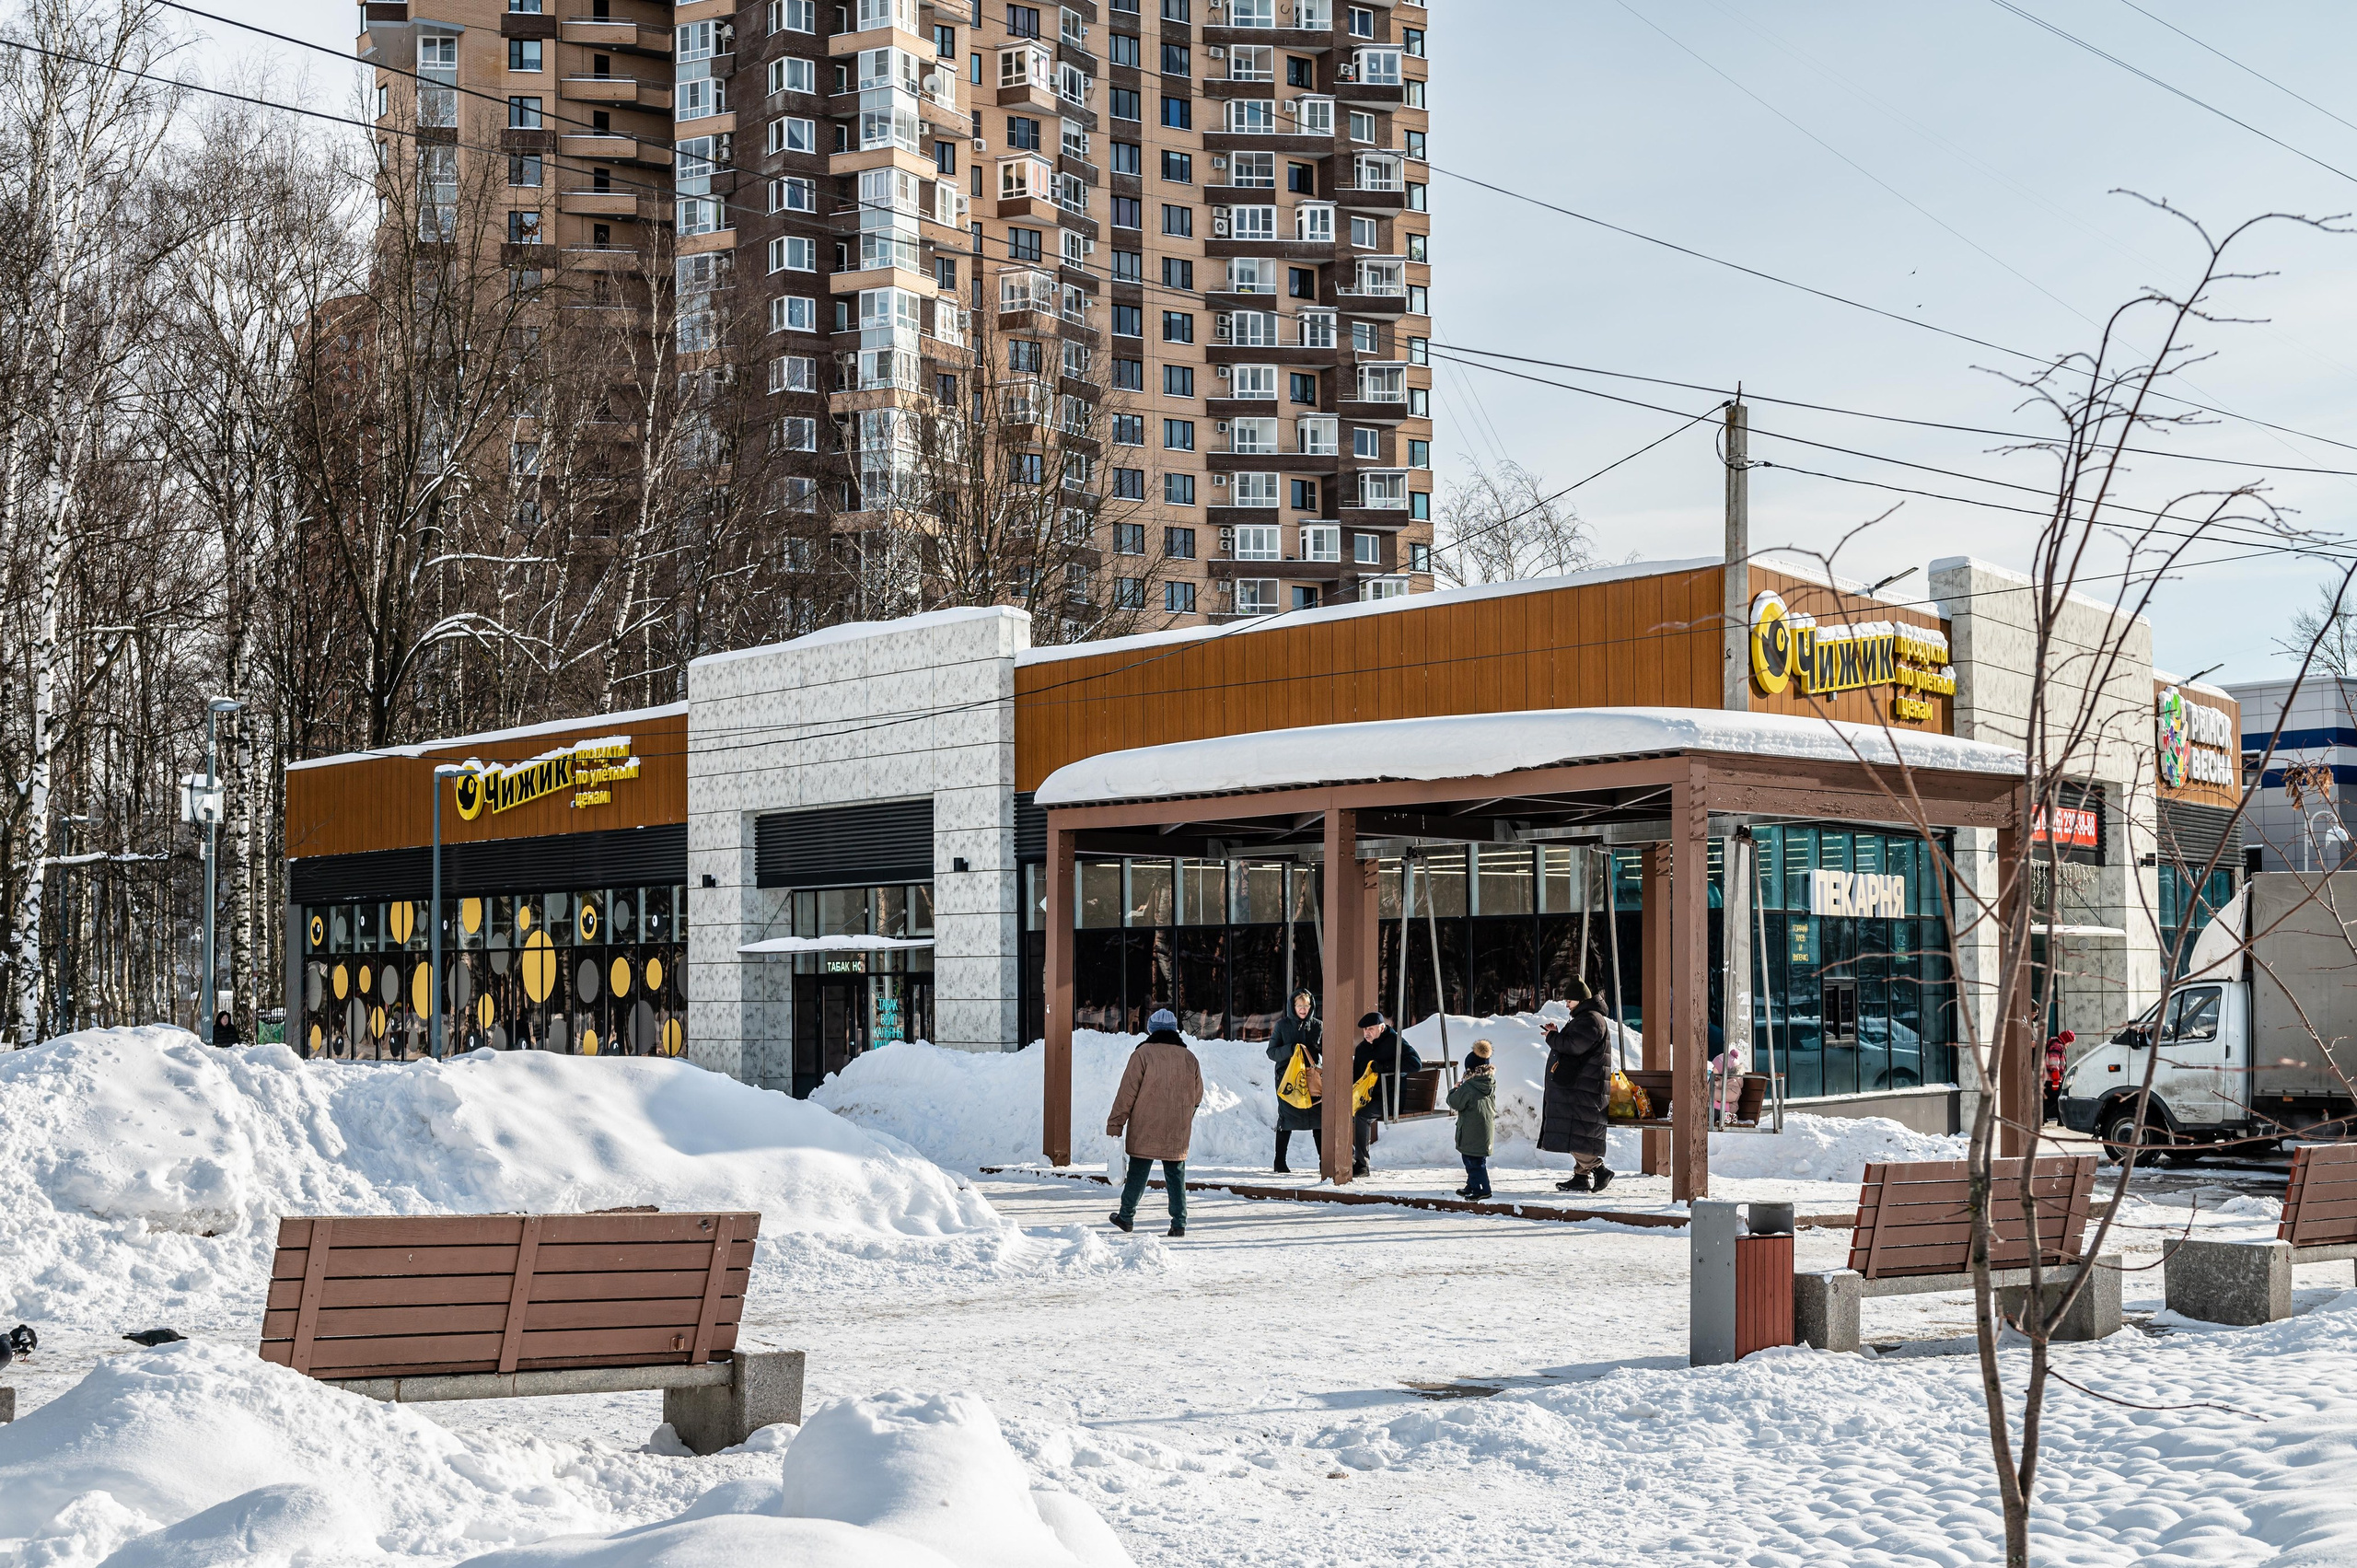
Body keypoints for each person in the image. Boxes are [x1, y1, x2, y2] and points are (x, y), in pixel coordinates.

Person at [1106, 1007, 1205, 1237]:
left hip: (1145, 1125)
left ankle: (1126, 1216)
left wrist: (1115, 1124)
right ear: (1174, 1030)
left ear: (1151, 1030)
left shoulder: (1143, 1054)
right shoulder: (1189, 1057)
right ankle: (1179, 1223)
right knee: (1176, 1173)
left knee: (1138, 1171)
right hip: (1177, 1126)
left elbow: (1126, 1093)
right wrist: (1185, 1117)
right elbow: (1198, 1095)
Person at [1540, 984, 1615, 1192]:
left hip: (1584, 1087)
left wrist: (1552, 1038)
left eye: (1569, 1001)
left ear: (1581, 1000)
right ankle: (1580, 1178)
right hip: (1582, 1086)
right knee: (1576, 1131)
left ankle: (1599, 1169)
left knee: (1573, 1132)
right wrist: (1555, 1034)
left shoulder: (1591, 1020)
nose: (1567, 1005)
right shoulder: (1586, 1018)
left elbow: (1574, 1046)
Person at [1350, 1011, 1422, 1178]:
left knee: (1361, 1116)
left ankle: (1362, 1165)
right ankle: (1349, 1158)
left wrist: (1384, 1067)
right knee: (1340, 1111)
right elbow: (1356, 1076)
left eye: (1371, 1029)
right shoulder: (1362, 1049)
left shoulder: (1395, 1042)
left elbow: (1415, 1063)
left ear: (1382, 1028)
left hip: (1389, 1098)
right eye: (1365, 1029)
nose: (1367, 1033)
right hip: (1366, 1097)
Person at [1264, 988, 1323, 1175]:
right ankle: (1279, 1162)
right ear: (1293, 1007)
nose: (1303, 1009)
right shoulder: (1282, 1026)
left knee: (1319, 1119)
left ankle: (1324, 1161)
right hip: (1288, 1081)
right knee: (1286, 1119)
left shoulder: (1318, 1026)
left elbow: (1326, 1050)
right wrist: (1290, 1049)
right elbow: (1271, 1052)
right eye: (1299, 1006)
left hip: (1312, 1080)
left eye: (1306, 1006)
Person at [1447, 1040, 1497, 1199]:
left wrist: (1455, 1090)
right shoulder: (1489, 1083)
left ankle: (1483, 1190)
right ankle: (1472, 1185)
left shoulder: (1469, 1087)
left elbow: (1455, 1103)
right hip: (1484, 1129)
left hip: (1471, 1130)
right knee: (1475, 1159)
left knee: (1474, 1162)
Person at [2044, 1030, 2075, 1123]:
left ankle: (2057, 1120)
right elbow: (2054, 1064)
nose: (2069, 1045)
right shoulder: (2057, 1047)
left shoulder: (2057, 1046)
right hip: (2052, 1079)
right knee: (2056, 1100)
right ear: (2066, 1040)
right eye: (2070, 1042)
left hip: (2051, 1079)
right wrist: (2056, 1081)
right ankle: (2060, 1120)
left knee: (2050, 1100)